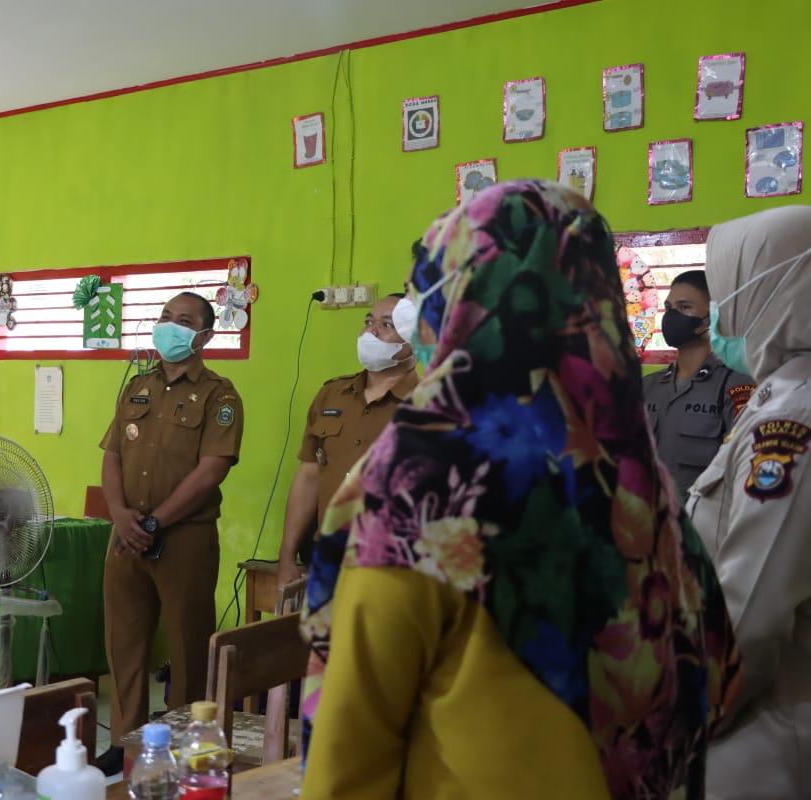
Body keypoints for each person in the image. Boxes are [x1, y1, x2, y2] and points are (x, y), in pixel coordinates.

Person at [299, 180, 740, 799]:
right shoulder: (639, 477)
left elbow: (349, 753)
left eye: (430, 286)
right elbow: (714, 681)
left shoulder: (423, 481)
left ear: (465, 301)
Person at [687, 205, 811, 799]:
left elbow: (750, 612)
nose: (716, 314)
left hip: (764, 742)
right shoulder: (778, 396)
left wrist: (666, 727)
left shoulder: (793, 416)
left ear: (773, 289)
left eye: (724, 292)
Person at [95, 291, 244, 776]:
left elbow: (212, 469)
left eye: (183, 320)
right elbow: (112, 455)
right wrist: (120, 514)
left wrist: (156, 521)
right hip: (126, 536)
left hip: (184, 539)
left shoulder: (221, 396)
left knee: (187, 647)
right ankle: (124, 742)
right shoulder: (137, 387)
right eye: (165, 317)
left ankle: (182, 741)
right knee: (124, 642)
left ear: (205, 336)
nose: (169, 326)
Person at [276, 294, 418, 588]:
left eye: (386, 325)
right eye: (368, 321)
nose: (371, 331)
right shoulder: (332, 394)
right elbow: (309, 475)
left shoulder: (430, 403)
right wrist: (287, 557)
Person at [643, 270, 753, 497]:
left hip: (703, 516)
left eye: (684, 307)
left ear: (712, 316)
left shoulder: (735, 385)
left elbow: (743, 467)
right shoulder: (648, 386)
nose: (672, 317)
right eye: (669, 308)